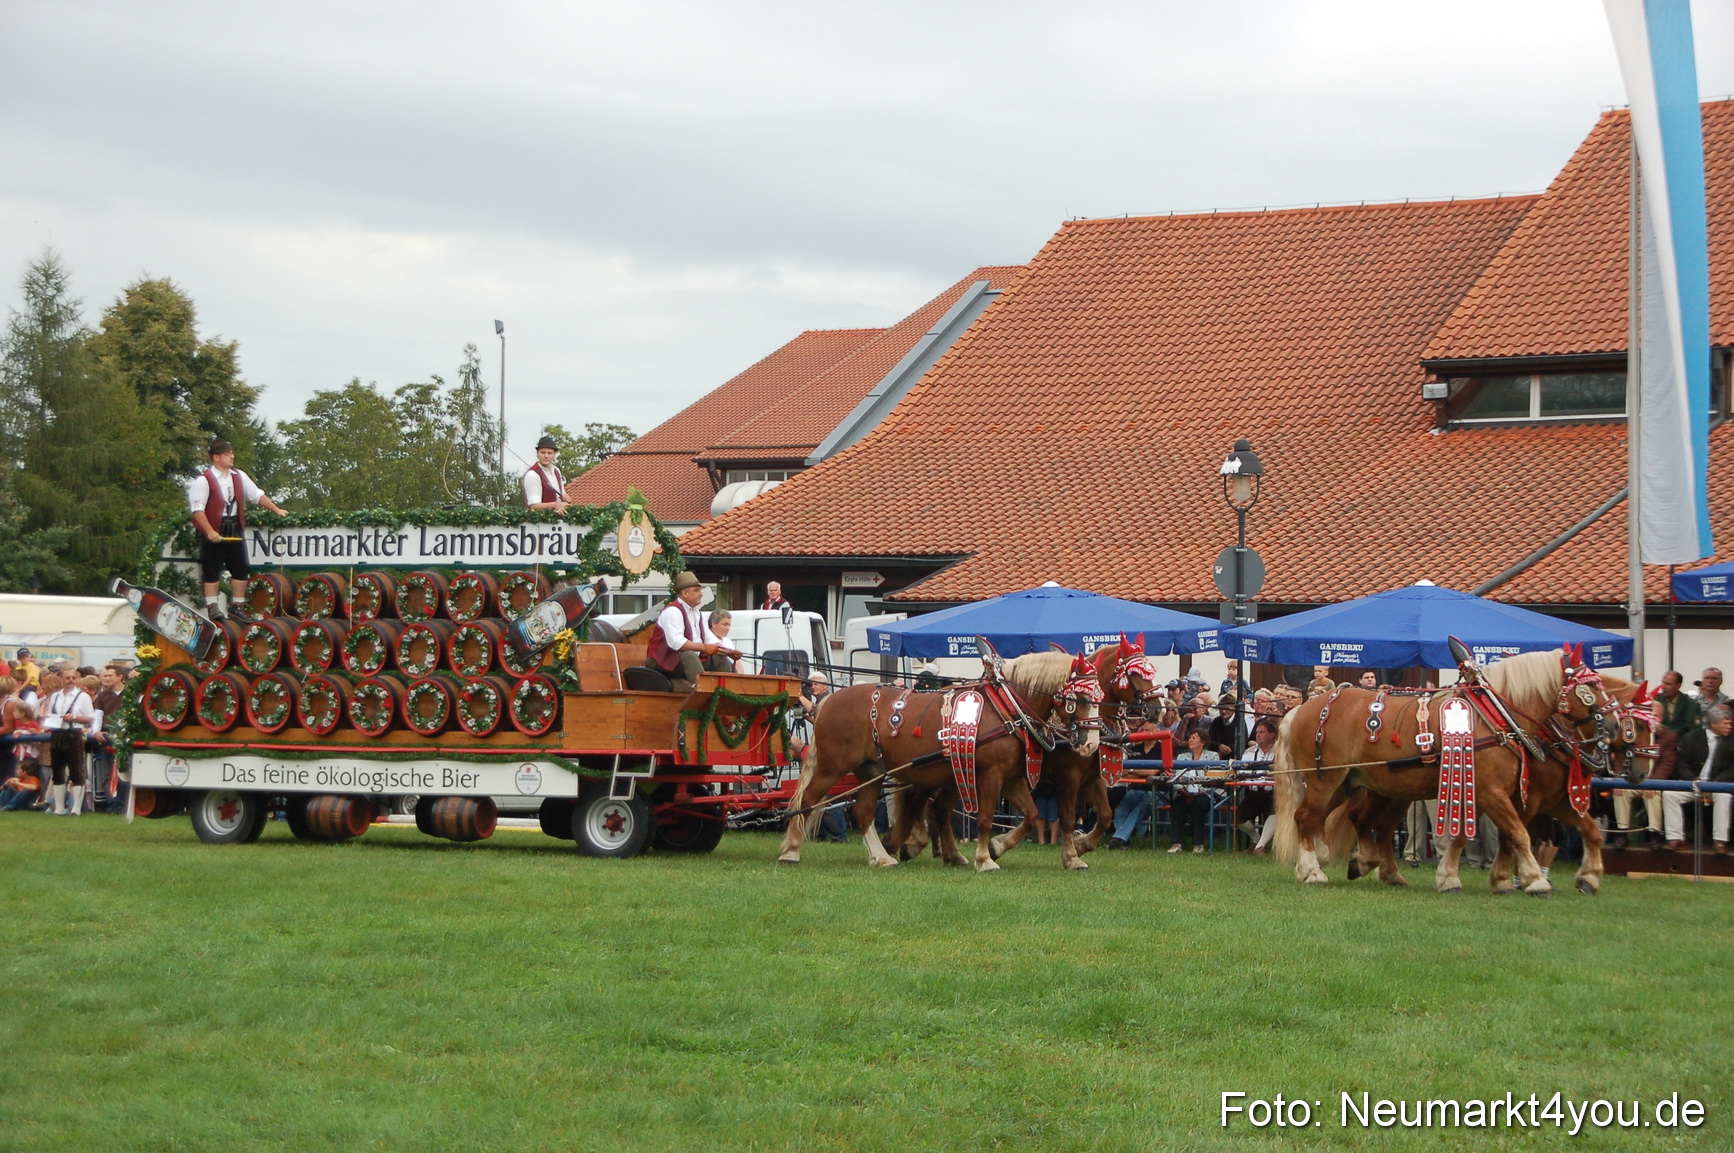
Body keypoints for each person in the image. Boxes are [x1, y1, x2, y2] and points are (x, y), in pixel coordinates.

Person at [188, 437, 288, 622]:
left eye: (231, 453)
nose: (232, 456)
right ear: (216, 458)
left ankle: (238, 606)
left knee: (241, 567)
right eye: (227, 454)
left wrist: (276, 509)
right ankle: (212, 607)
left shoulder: (238, 476)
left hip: (234, 527)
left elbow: (256, 495)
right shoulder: (204, 481)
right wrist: (210, 531)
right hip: (214, 528)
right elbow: (197, 510)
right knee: (212, 569)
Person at [645, 571, 739, 693]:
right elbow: (676, 643)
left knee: (720, 658)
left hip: (685, 661)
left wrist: (728, 652)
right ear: (685, 593)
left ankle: (728, 692)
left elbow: (709, 639)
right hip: (662, 660)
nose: (701, 594)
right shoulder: (673, 611)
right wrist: (705, 648)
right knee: (688, 654)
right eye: (696, 590)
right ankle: (704, 692)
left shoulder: (697, 613)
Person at [1666, 704, 1734, 852]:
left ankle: (1720, 841)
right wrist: (1694, 781)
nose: (1730, 726)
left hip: (1718, 786)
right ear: (1713, 723)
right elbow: (1681, 764)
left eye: (1731, 723)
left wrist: (1716, 783)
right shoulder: (1692, 738)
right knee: (1669, 795)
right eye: (1726, 723)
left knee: (1724, 797)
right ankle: (1675, 839)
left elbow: (1732, 768)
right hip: (1693, 784)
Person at [41, 672, 95, 815]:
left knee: (76, 771)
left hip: (74, 734)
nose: (70, 681)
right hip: (57, 734)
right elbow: (51, 715)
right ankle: (59, 808)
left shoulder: (83, 696)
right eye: (67, 678)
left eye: (73, 678)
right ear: (61, 679)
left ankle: (76, 808)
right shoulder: (55, 696)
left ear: (77, 679)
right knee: (57, 772)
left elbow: (90, 718)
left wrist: (74, 717)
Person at [1168, 726, 1219, 854]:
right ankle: (1177, 843)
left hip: (1204, 793)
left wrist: (1198, 793)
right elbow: (1175, 778)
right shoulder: (1181, 757)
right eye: (1190, 738)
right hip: (1184, 793)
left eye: (1194, 738)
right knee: (1178, 804)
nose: (1190, 740)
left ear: (1202, 742)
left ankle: (1198, 844)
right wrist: (1184, 792)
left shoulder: (1213, 756)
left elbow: (1214, 778)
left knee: (1198, 805)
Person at [523, 435, 568, 514]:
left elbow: (562, 494)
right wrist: (556, 505)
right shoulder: (532, 475)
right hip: (540, 521)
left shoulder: (556, 471)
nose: (546, 456)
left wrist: (566, 498)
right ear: (537, 454)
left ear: (554, 455)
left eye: (549, 453)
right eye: (543, 452)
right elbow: (534, 506)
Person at [1655, 671, 1701, 740]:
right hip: (1659, 745)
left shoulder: (1690, 705)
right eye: (1663, 683)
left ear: (1678, 686)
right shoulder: (1656, 701)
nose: (1663, 687)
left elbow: (1695, 731)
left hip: (1682, 745)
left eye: (1668, 684)